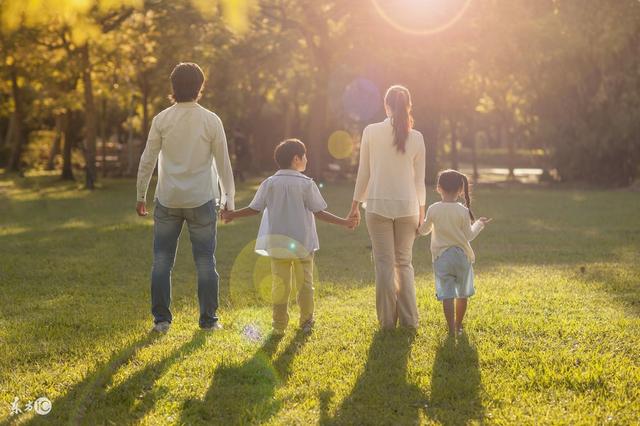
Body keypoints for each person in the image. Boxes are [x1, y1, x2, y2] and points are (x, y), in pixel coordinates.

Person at [136, 62, 235, 333]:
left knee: (161, 261)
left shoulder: (162, 119)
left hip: (168, 200)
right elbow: (224, 163)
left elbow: (148, 160)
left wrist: (140, 194)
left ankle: (161, 321)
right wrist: (229, 199)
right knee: (205, 261)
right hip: (202, 199)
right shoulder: (211, 120)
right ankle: (208, 320)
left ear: (173, 86)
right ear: (200, 87)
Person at [221, 139, 355, 336]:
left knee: (280, 285)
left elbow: (253, 209)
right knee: (305, 285)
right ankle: (306, 320)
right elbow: (319, 212)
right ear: (296, 159)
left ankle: (279, 324)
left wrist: (231, 215)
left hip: (278, 245)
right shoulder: (306, 184)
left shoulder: (269, 183)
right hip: (303, 244)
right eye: (305, 156)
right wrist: (344, 222)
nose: (306, 159)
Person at [348, 85, 426, 329]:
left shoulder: (371, 131)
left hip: (377, 206)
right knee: (404, 263)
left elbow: (364, 173)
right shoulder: (417, 137)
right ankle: (410, 321)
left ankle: (386, 322)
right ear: (409, 106)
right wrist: (422, 212)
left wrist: (355, 205)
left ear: (386, 105)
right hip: (409, 207)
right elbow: (419, 180)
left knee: (384, 264)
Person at [418, 169, 491, 336]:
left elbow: (424, 230)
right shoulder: (463, 211)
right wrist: (479, 223)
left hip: (441, 258)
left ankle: (451, 329)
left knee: (447, 295)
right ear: (460, 190)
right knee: (462, 294)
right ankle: (458, 325)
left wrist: (417, 225)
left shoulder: (433, 209)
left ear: (438, 188)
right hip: (461, 258)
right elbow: (469, 235)